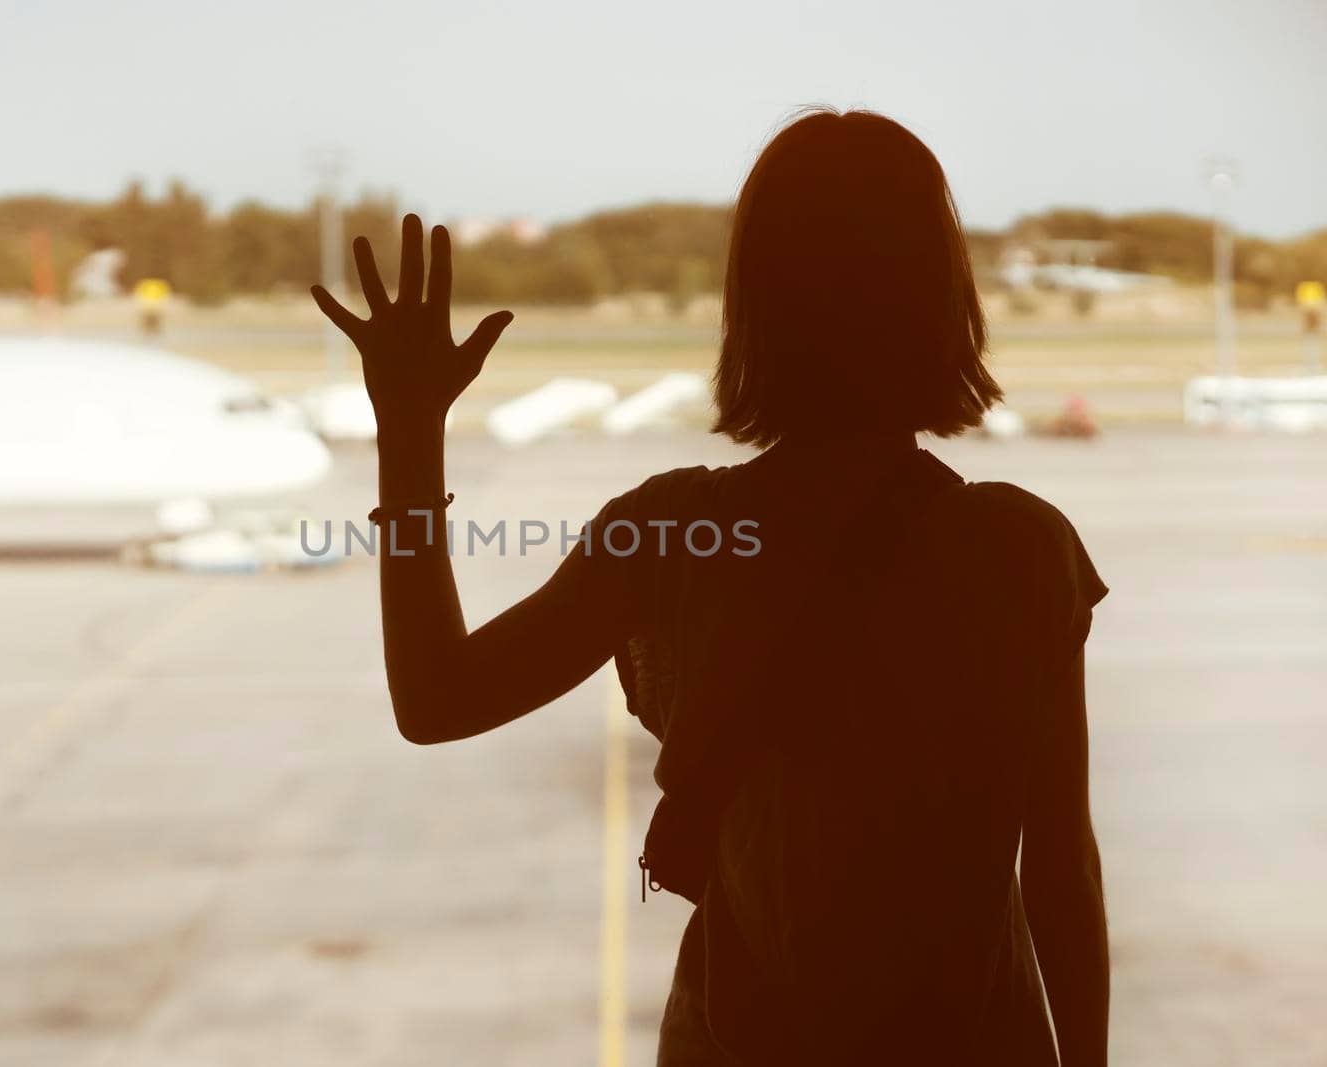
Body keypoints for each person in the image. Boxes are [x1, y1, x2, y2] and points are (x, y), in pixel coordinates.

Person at [311, 107, 1110, 1065]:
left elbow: (436, 699)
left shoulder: (672, 534)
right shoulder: (1020, 551)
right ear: (943, 299)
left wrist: (408, 433)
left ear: (754, 304)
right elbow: (1061, 866)